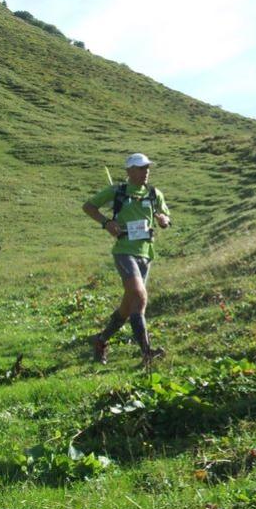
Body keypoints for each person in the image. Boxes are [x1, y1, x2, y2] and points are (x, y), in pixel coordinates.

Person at [83, 153, 171, 367]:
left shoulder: (154, 194)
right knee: (140, 298)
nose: (146, 171)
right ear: (129, 171)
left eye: (147, 168)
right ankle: (147, 352)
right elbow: (88, 206)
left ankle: (101, 340)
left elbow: (167, 218)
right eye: (141, 168)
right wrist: (106, 223)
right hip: (124, 251)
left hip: (146, 255)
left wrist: (163, 220)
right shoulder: (118, 191)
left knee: (129, 305)